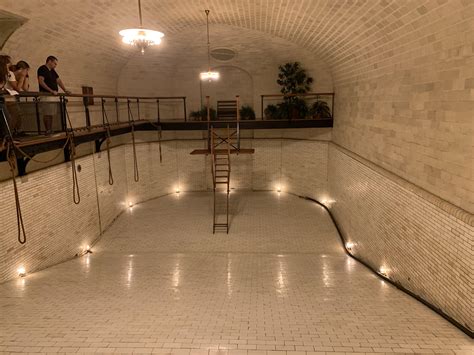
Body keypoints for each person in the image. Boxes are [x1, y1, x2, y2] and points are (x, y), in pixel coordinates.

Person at [37, 56, 71, 134]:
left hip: (52, 95)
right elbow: (41, 82)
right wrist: (51, 91)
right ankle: (48, 130)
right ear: (49, 61)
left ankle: (50, 129)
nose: (55, 65)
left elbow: (58, 80)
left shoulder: (52, 71)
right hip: (46, 95)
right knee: (47, 113)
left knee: (51, 113)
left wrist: (65, 90)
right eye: (54, 63)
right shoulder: (42, 68)